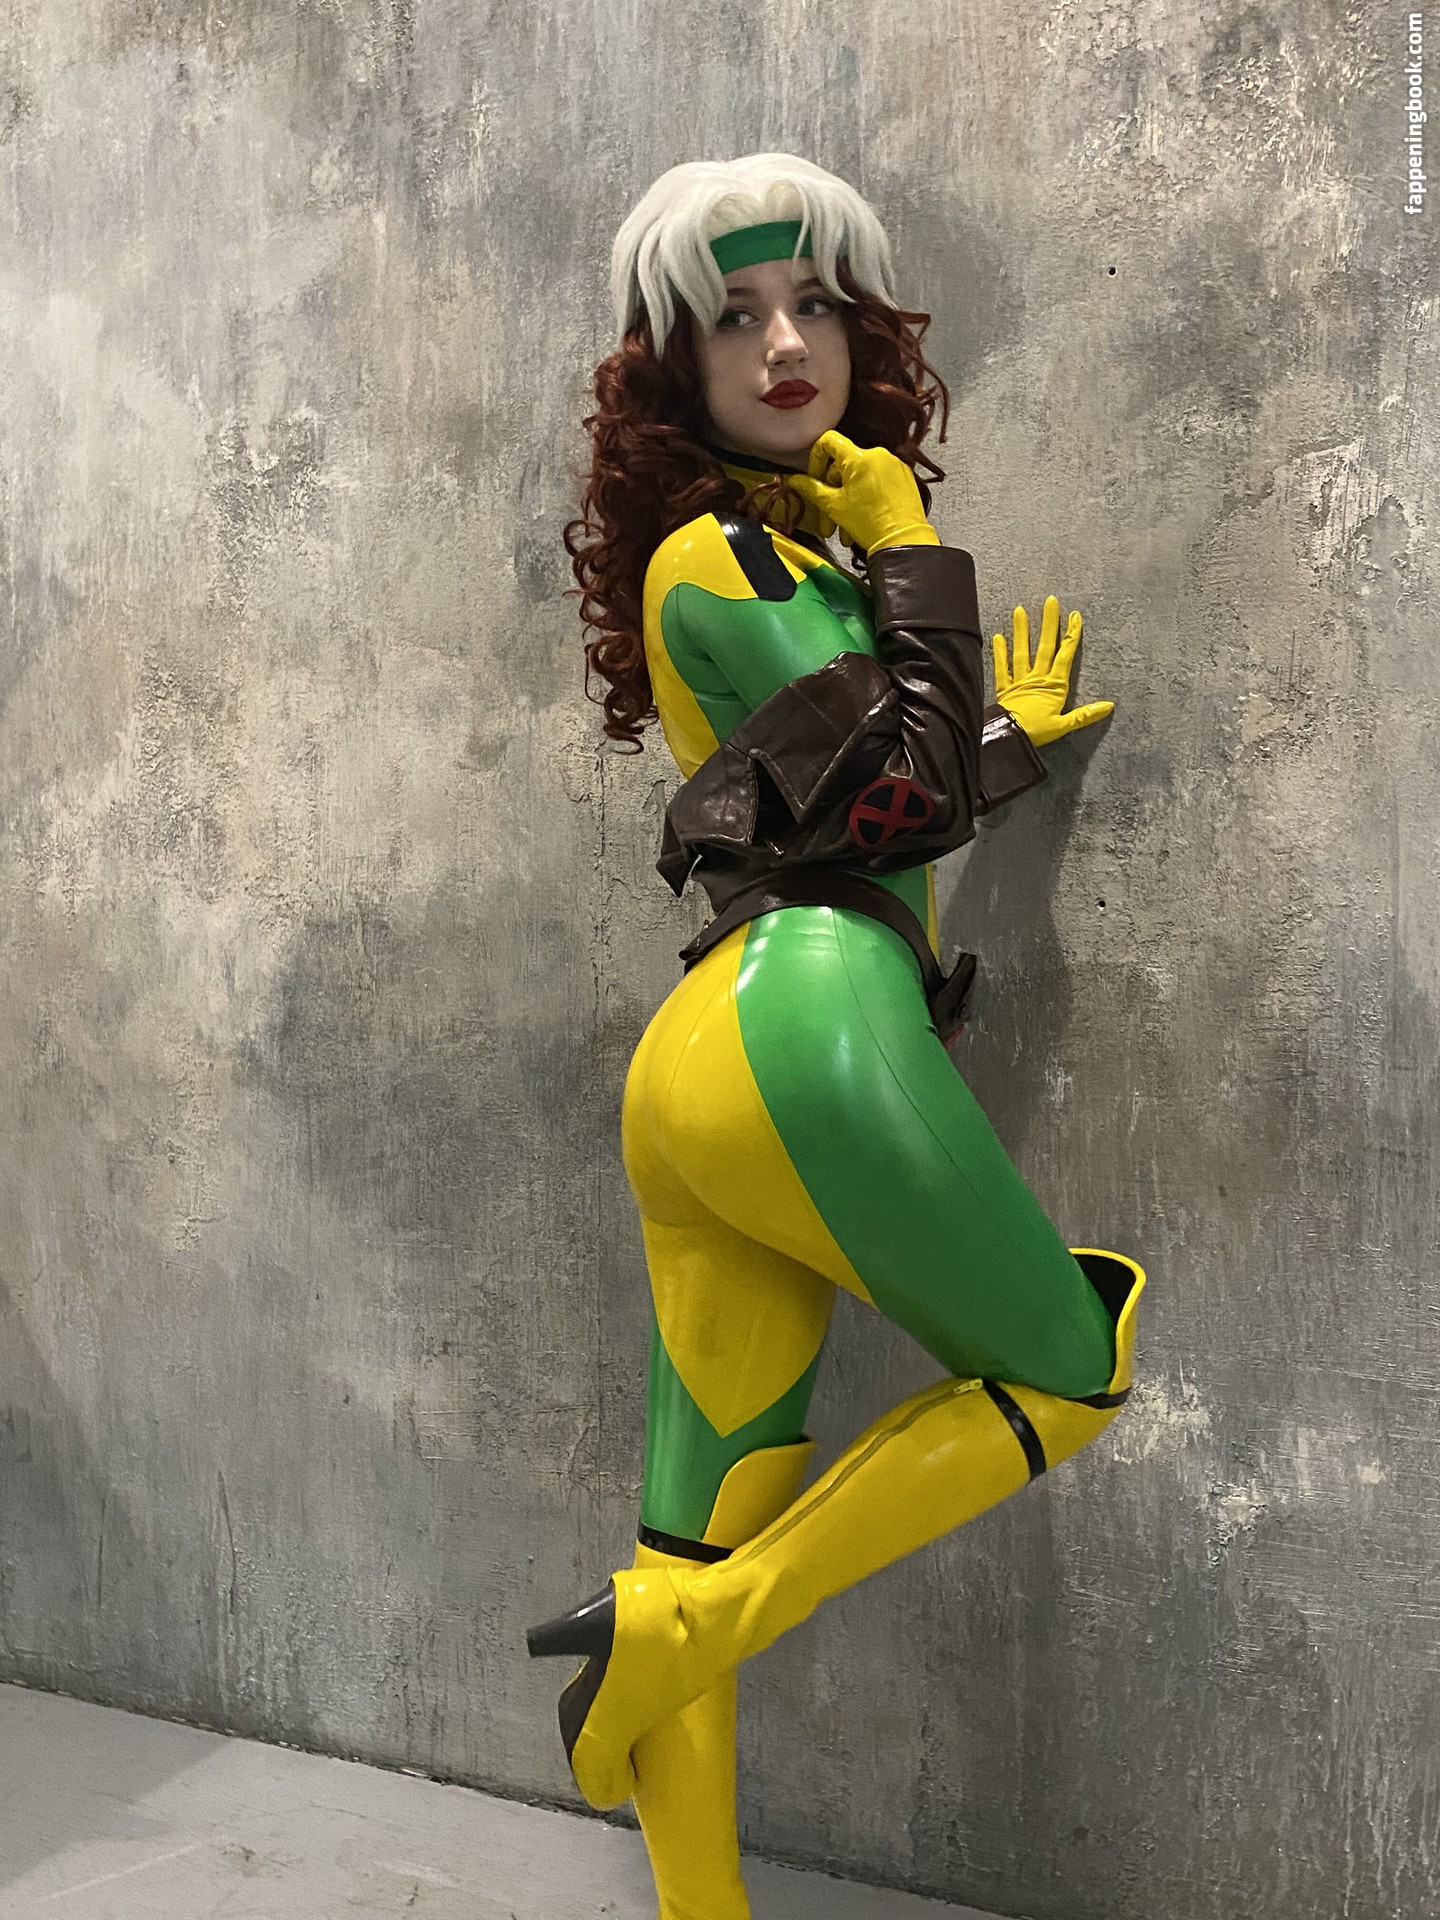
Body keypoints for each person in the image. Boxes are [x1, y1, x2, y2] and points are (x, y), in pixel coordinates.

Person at [529, 153, 1146, 1920]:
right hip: (811, 1029)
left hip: (716, 1055)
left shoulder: (766, 554)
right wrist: (912, 553)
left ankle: (694, 1843)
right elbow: (904, 786)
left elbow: (862, 796)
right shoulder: (719, 555)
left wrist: (991, 738)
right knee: (1069, 1368)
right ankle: (693, 1628)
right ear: (673, 366)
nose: (786, 344)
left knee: (694, 1515)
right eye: (735, 317)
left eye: (813, 304)